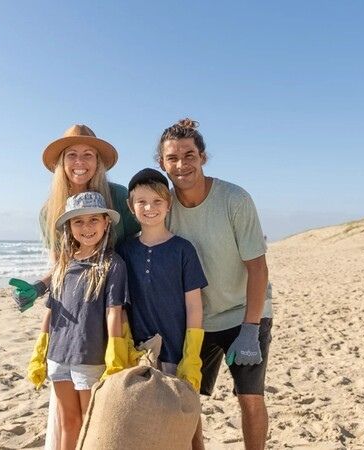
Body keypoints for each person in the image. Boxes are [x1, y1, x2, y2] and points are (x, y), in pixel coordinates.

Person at [157, 118, 272, 450]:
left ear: (203, 157)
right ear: (162, 163)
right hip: (196, 318)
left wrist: (251, 328)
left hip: (244, 312)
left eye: (189, 155)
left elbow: (258, 268)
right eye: (172, 158)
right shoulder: (164, 207)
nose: (181, 165)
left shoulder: (234, 199)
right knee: (187, 397)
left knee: (249, 397)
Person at [26, 191, 129, 450]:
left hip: (89, 356)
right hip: (57, 355)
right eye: (78, 222)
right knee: (67, 421)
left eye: (94, 219)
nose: (87, 227)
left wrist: (114, 354)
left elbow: (113, 311)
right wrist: (40, 349)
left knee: (89, 421)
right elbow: (52, 310)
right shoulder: (64, 263)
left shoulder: (112, 264)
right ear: (69, 228)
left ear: (106, 223)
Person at [10, 124, 139, 311]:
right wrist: (38, 287)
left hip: (121, 296)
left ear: (97, 161)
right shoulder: (49, 211)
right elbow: (62, 265)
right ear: (61, 162)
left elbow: (143, 243)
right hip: (81, 301)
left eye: (88, 154)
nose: (80, 162)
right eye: (71, 155)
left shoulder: (118, 196)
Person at [117, 168, 207, 389]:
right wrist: (124, 347)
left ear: (169, 204)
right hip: (138, 355)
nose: (150, 208)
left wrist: (191, 355)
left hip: (176, 354)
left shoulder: (183, 249)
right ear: (131, 206)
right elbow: (120, 306)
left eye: (158, 200)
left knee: (183, 418)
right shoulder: (124, 250)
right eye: (142, 202)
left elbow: (194, 305)